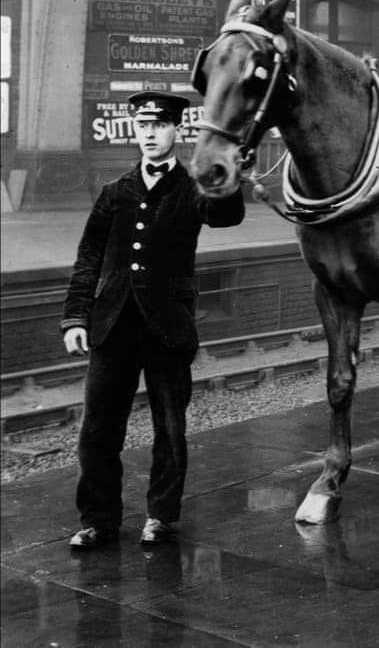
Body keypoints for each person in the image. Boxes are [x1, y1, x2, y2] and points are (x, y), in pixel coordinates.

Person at [61, 91, 245, 549]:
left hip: (167, 327)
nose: (149, 134)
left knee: (170, 429)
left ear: (176, 131)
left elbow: (226, 215)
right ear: (134, 131)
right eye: (142, 126)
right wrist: (75, 318)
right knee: (98, 429)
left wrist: (231, 174)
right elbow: (88, 258)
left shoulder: (192, 188)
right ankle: (98, 520)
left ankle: (161, 516)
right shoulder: (114, 193)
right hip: (113, 325)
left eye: (159, 126)